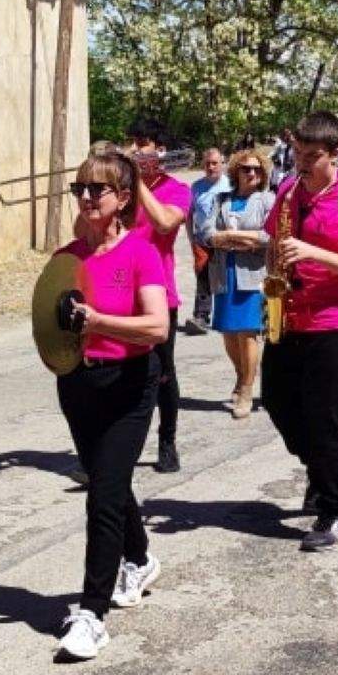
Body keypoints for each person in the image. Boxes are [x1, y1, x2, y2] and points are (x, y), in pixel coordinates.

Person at [49, 151, 173, 662]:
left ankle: (92, 614)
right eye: (79, 188)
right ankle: (139, 560)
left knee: (101, 496)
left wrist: (100, 322)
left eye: (96, 189)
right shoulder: (66, 258)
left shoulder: (141, 252)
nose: (85, 197)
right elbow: (50, 326)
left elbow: (157, 326)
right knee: (111, 484)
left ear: (122, 198)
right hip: (79, 385)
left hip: (130, 385)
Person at [262, 111, 338, 552]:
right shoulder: (288, 191)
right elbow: (274, 241)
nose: (302, 163)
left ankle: (333, 513)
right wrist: (273, 273)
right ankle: (319, 469)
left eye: (312, 156)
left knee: (325, 416)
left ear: (336, 155)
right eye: (298, 153)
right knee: (276, 401)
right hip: (290, 316)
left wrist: (313, 252)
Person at [125, 119, 192, 473]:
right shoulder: (120, 187)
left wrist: (136, 182)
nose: (134, 148)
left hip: (159, 294)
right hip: (121, 292)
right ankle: (117, 450)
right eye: (132, 142)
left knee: (163, 374)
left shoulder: (177, 189)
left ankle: (168, 441)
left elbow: (165, 223)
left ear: (160, 150)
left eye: (142, 143)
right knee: (121, 374)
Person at [198, 149, 275, 419]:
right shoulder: (221, 199)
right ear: (236, 172)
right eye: (246, 168)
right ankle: (242, 375)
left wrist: (234, 236)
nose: (251, 173)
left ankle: (247, 390)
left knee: (248, 332)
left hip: (253, 275)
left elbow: (269, 236)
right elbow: (206, 232)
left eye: (256, 169)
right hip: (224, 273)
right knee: (229, 332)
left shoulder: (267, 200)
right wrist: (228, 238)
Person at [185, 146, 228, 336]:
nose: (211, 167)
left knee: (225, 277)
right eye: (207, 164)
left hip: (225, 240)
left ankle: (226, 315)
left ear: (222, 164)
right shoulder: (196, 187)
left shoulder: (230, 185)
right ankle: (201, 317)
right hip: (202, 240)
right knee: (203, 276)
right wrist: (191, 239)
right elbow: (189, 215)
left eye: (215, 163)